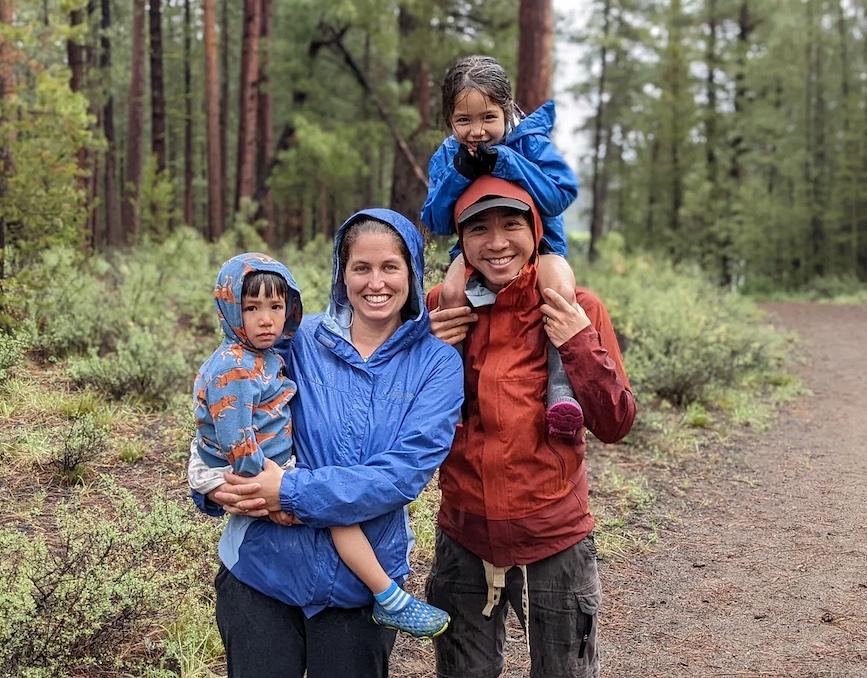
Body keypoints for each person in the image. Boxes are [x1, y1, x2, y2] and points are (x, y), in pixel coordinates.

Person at [188, 210, 464, 678]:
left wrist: (289, 492)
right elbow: (233, 403)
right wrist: (207, 480)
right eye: (361, 267)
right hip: (261, 570)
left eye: (390, 267)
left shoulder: (436, 365)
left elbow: (400, 476)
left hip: (358, 586)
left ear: (413, 273)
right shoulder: (298, 340)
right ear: (342, 273)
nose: (375, 282)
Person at [425, 175, 637, 678]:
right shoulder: (442, 308)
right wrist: (427, 351)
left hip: (555, 532)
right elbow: (401, 419)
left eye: (511, 225)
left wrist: (579, 344)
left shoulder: (577, 307)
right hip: (465, 531)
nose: (496, 243)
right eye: (479, 229)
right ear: (462, 240)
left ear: (535, 229)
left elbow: (615, 422)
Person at [420, 54, 584, 442]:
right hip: (476, 251)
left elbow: (560, 195)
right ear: (449, 122)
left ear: (506, 110)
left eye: (488, 118)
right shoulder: (447, 155)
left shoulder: (530, 142)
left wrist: (510, 162)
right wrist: (460, 172)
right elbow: (437, 220)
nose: (477, 131)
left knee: (559, 287)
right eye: (464, 121)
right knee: (452, 291)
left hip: (542, 247)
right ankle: (453, 392)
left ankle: (561, 391)